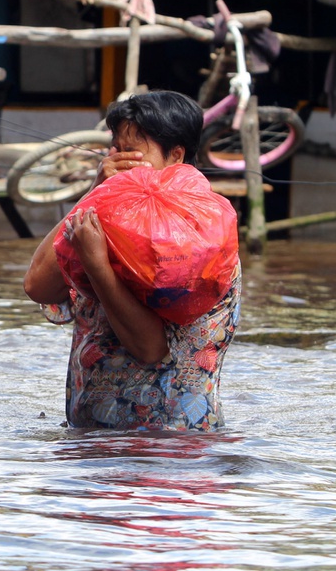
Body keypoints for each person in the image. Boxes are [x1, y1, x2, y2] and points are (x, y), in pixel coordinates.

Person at [23, 91, 241, 431]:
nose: (119, 161)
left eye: (132, 153)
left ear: (176, 156)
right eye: (116, 150)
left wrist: (98, 268)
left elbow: (151, 348)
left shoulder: (201, 240)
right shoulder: (108, 224)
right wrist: (95, 191)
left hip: (170, 446)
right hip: (94, 443)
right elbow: (38, 285)